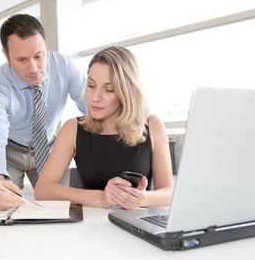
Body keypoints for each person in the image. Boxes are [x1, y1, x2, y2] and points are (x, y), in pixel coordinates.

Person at [34, 46, 174, 210]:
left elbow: (169, 192)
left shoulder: (153, 126)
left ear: (127, 92)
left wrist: (143, 199)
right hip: (89, 226)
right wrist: (100, 197)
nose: (95, 97)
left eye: (109, 89)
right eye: (91, 85)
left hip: (135, 223)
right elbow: (42, 190)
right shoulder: (72, 128)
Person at [0, 14, 86, 211]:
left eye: (39, 55)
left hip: (48, 148)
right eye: (21, 59)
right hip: (10, 152)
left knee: (59, 209)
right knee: (7, 207)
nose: (34, 68)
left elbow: (92, 105)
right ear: (6, 55)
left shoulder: (65, 67)